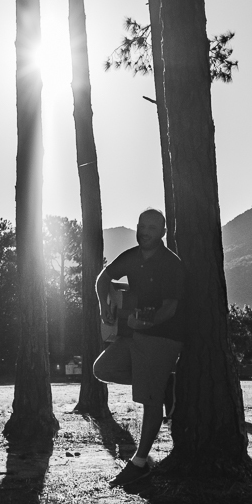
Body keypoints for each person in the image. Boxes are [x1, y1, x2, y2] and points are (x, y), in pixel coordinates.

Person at [93, 208, 185, 487]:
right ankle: (163, 383)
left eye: (152, 228)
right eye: (142, 226)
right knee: (102, 369)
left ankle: (140, 463)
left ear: (163, 232)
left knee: (150, 402)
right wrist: (104, 306)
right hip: (134, 334)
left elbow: (170, 309)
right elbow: (103, 278)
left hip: (162, 337)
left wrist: (148, 323)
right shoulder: (132, 256)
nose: (145, 232)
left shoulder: (171, 264)